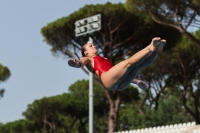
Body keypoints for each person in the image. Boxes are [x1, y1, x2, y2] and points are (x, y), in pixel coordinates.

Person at [68, 37, 166, 91]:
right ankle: (150, 47)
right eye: (90, 46)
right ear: (86, 52)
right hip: (107, 79)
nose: (94, 46)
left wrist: (136, 82)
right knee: (128, 62)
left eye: (93, 45)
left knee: (138, 65)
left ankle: (156, 51)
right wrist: (75, 64)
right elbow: (80, 63)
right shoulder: (88, 58)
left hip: (119, 84)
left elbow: (119, 73)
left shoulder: (106, 58)